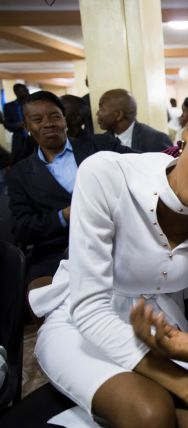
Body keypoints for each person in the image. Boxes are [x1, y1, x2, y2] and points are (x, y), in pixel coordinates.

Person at [27, 93, 188, 428]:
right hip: (81, 324)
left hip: (161, 329)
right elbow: (89, 310)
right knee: (149, 414)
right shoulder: (108, 175)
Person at [6, 91, 133, 287]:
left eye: (55, 116)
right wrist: (63, 216)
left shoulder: (101, 146)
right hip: (57, 253)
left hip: (115, 243)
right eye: (38, 119)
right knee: (41, 294)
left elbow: (142, 163)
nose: (48, 123)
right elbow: (23, 228)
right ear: (27, 126)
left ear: (64, 120)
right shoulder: (19, 174)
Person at [97, 88, 172, 153]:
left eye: (102, 109)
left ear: (119, 115)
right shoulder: (100, 142)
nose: (97, 113)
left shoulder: (157, 141)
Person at [2, 83, 30, 164]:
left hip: (35, 137)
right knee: (18, 162)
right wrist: (18, 125)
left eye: (27, 89)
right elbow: (7, 124)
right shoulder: (8, 106)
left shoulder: (34, 104)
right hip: (19, 139)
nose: (27, 91)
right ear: (16, 92)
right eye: (24, 90)